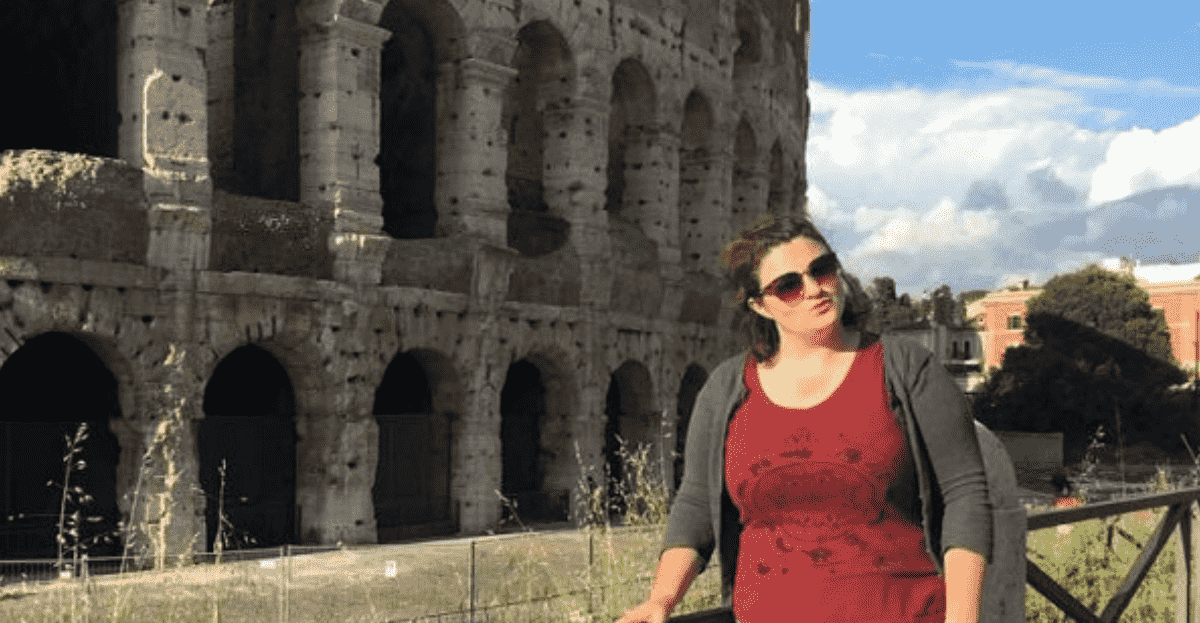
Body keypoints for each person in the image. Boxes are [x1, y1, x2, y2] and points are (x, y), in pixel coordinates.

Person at [616, 215, 993, 623]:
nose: (814, 288)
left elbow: (964, 493)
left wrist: (962, 616)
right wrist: (662, 599)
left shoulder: (903, 367)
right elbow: (695, 504)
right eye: (789, 285)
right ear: (759, 304)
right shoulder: (726, 389)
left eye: (823, 270)